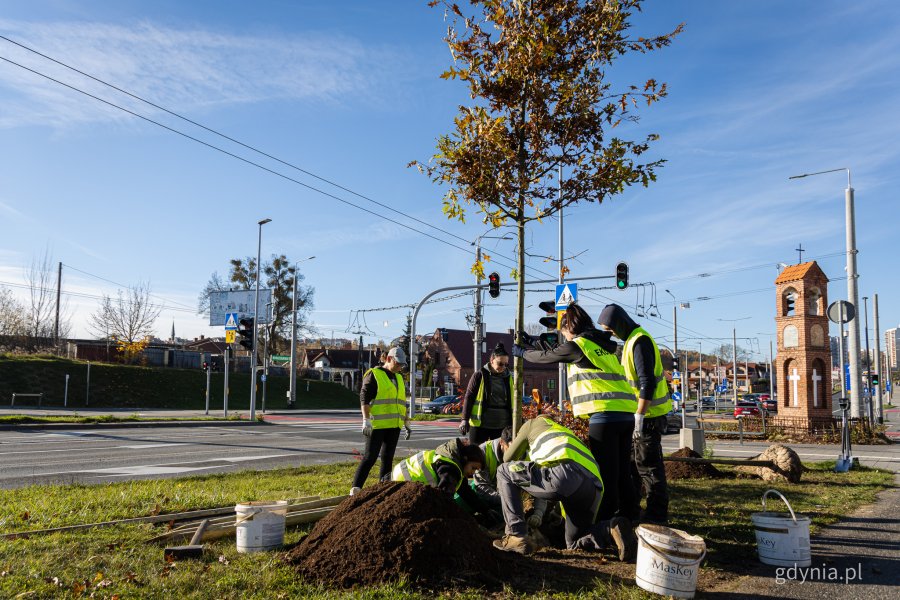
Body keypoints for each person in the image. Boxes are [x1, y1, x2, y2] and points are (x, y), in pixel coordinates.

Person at [512, 303, 638, 522]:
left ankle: (605, 520)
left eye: (564, 333)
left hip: (604, 416)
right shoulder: (601, 346)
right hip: (626, 414)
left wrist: (523, 352)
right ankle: (631, 514)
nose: (565, 337)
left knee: (605, 473)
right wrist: (531, 341)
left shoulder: (577, 346)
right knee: (622, 470)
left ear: (569, 328)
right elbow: (554, 350)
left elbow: (546, 357)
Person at [492, 416, 636, 561]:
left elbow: (507, 458)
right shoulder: (563, 432)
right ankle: (609, 529)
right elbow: (567, 490)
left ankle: (516, 535)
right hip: (593, 487)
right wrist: (557, 512)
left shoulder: (531, 424)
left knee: (503, 471)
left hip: (565, 473)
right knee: (574, 543)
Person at [597, 303, 672, 525]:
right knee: (632, 468)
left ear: (619, 324)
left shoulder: (639, 341)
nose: (611, 334)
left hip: (648, 417)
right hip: (639, 416)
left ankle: (656, 518)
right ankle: (631, 512)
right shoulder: (631, 341)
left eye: (610, 329)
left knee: (649, 468)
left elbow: (647, 382)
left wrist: (639, 416)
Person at [350, 346, 411, 496]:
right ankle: (355, 490)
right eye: (398, 363)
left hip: (394, 425)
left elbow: (402, 402)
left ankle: (383, 490)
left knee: (387, 458)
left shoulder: (399, 378)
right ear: (389, 359)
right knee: (370, 457)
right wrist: (366, 420)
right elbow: (364, 398)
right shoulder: (374, 374)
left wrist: (406, 422)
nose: (400, 367)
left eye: (402, 364)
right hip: (376, 425)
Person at [392, 438, 488, 510]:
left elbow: (466, 492)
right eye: (473, 468)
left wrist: (484, 510)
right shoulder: (451, 469)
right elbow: (445, 499)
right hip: (402, 484)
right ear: (465, 459)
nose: (473, 473)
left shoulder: (450, 458)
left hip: (399, 474)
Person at [459, 343, 515, 445]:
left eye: (506, 364)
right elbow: (469, 397)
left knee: (498, 452)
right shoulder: (479, 375)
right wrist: (464, 419)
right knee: (476, 451)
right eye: (500, 364)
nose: (503, 367)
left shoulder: (509, 378)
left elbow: (514, 400)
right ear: (492, 360)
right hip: (480, 424)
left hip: (502, 425)